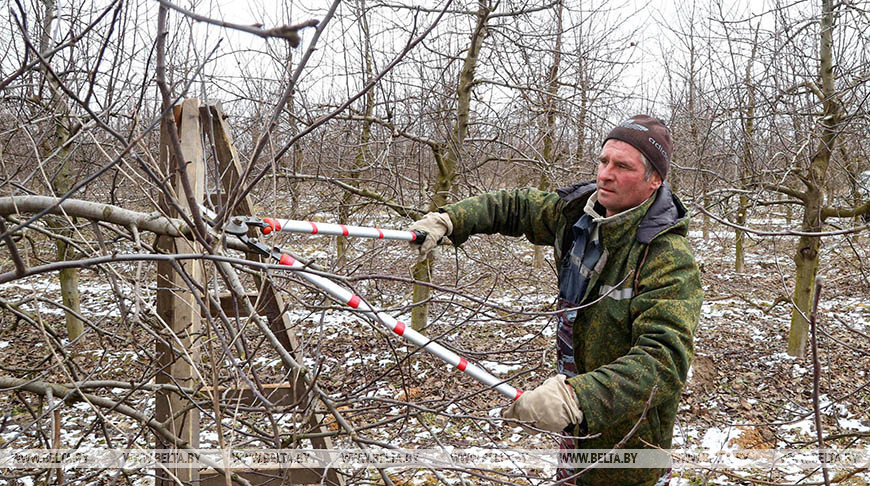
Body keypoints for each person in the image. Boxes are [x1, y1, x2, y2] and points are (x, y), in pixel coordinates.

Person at [409, 115, 703, 485]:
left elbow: (665, 360)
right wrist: (451, 220)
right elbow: (516, 206)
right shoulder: (578, 215)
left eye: (623, 166)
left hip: (627, 448)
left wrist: (576, 397)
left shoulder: (667, 257)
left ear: (654, 180)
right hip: (575, 431)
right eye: (603, 161)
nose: (605, 174)